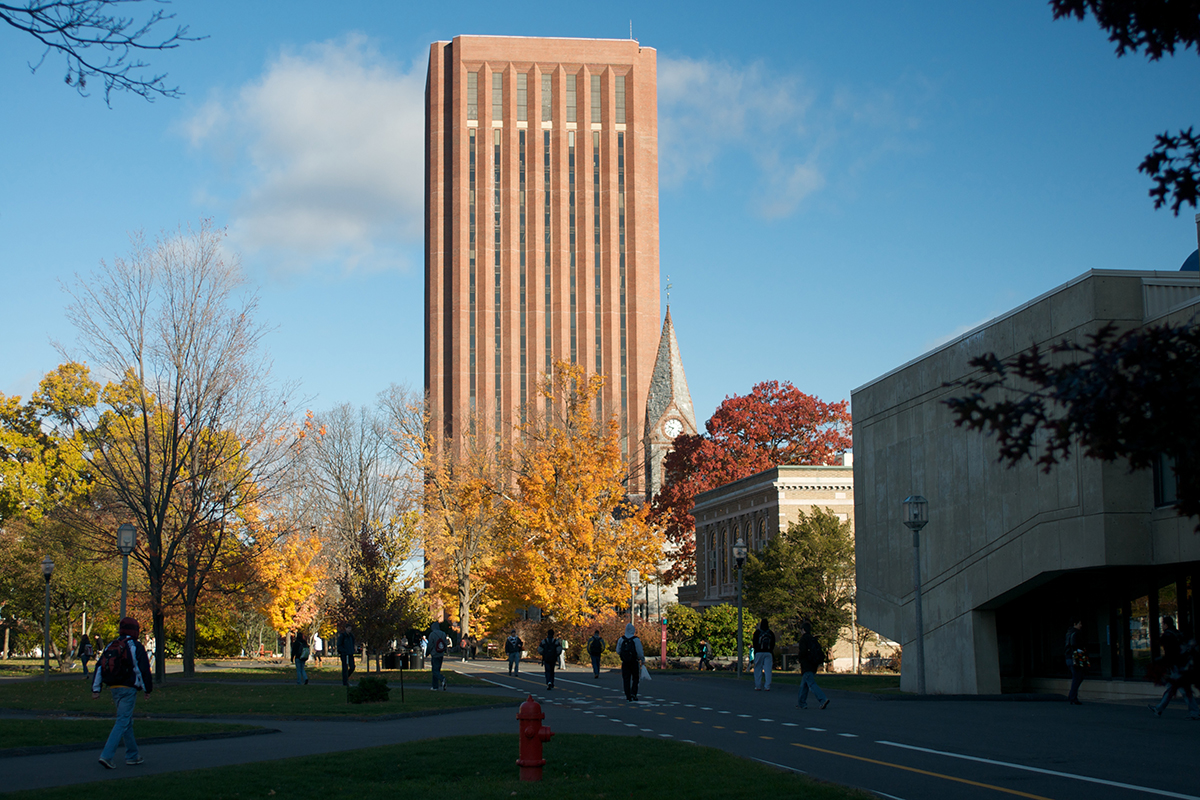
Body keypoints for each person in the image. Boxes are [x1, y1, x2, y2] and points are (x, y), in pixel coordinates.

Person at [92, 616, 153, 769]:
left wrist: (96, 689)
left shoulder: (111, 645)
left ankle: (132, 755)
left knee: (126, 721)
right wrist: (147, 689)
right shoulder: (135, 646)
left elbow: (99, 667)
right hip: (128, 687)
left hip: (113, 687)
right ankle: (106, 756)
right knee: (122, 721)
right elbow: (142, 669)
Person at [1149, 617, 1200, 719]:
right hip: (1183, 664)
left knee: (1183, 689)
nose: (1162, 626)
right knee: (1171, 688)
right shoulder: (1177, 633)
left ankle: (1195, 712)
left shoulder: (1167, 635)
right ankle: (1159, 708)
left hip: (1176, 666)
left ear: (1166, 625)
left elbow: (1169, 653)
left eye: (1163, 624)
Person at [796, 621, 829, 710]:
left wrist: (799, 658)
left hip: (806, 664)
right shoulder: (813, 639)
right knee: (804, 684)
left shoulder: (804, 639)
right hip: (813, 663)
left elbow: (803, 652)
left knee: (811, 683)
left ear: (803, 630)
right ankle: (801, 703)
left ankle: (822, 699)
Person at [615, 623, 644, 702]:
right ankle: (633, 693)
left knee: (626, 678)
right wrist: (642, 658)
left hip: (625, 662)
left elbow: (618, 650)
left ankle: (627, 694)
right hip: (634, 661)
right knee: (635, 678)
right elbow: (639, 651)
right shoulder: (636, 640)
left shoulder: (621, 639)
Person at [1065, 617, 1086, 705]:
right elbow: (1075, 645)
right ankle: (1072, 697)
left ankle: (1072, 696)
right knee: (1077, 677)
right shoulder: (1076, 633)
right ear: (1075, 624)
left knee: (1076, 677)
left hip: (1069, 657)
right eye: (1079, 624)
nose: (1081, 626)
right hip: (1075, 657)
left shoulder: (1069, 633)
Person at [752, 618, 775, 691]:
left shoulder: (757, 632)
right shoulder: (770, 633)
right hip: (768, 653)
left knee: (758, 669)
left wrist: (757, 649)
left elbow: (754, 643)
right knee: (768, 670)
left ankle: (758, 685)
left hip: (759, 652)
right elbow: (773, 643)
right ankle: (767, 686)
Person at [427, 621, 450, 690]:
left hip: (434, 653)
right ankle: (435, 686)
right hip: (441, 653)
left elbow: (430, 645)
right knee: (437, 669)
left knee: (434, 670)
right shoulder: (443, 634)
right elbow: (445, 644)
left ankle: (442, 679)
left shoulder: (432, 634)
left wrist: (427, 653)